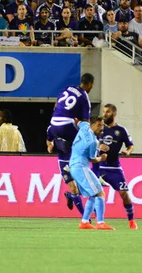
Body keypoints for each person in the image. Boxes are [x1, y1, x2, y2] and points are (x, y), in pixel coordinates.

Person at [46, 73, 94, 218]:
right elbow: (85, 122)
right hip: (66, 127)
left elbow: (56, 104)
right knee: (84, 137)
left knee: (73, 186)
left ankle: (83, 216)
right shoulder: (84, 97)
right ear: (90, 84)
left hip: (53, 125)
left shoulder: (66, 89)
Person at [92, 104, 136, 229]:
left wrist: (128, 151)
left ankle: (131, 221)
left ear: (114, 114)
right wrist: (98, 146)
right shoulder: (99, 129)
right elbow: (90, 142)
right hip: (99, 166)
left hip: (114, 168)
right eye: (104, 111)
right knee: (95, 194)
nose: (105, 114)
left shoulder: (121, 130)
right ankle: (98, 221)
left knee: (124, 194)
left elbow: (130, 145)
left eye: (108, 112)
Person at [69, 116, 114, 231]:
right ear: (92, 125)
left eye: (102, 125)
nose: (101, 128)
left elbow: (77, 122)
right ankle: (100, 223)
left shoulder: (84, 126)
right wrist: (102, 158)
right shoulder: (92, 142)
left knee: (94, 194)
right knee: (99, 193)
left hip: (74, 166)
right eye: (99, 125)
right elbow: (92, 159)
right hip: (81, 167)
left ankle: (84, 222)